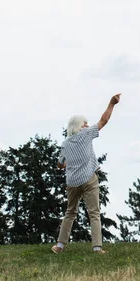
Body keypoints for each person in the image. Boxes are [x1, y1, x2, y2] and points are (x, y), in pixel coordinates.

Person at [51, 93, 121, 254]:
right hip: (89, 179)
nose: (88, 125)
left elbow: (60, 164)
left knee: (70, 212)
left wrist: (72, 162)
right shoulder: (86, 134)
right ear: (80, 126)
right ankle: (97, 248)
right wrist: (111, 104)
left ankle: (59, 246)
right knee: (94, 213)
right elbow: (104, 121)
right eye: (85, 123)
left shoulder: (65, 143)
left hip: (72, 182)